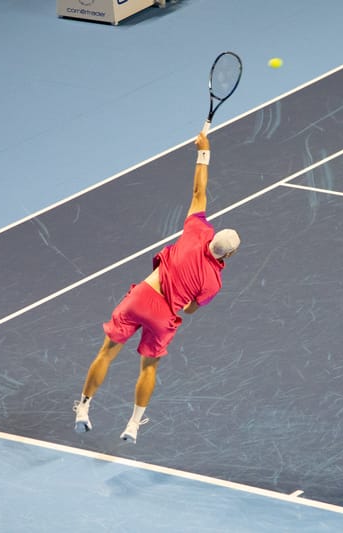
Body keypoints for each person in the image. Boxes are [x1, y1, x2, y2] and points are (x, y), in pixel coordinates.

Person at [73, 129, 240, 443]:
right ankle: (133, 425)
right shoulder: (214, 282)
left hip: (141, 297)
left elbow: (198, 192)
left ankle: (83, 408)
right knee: (148, 368)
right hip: (164, 317)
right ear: (228, 254)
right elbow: (189, 309)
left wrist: (204, 150)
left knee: (106, 353)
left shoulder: (196, 230)